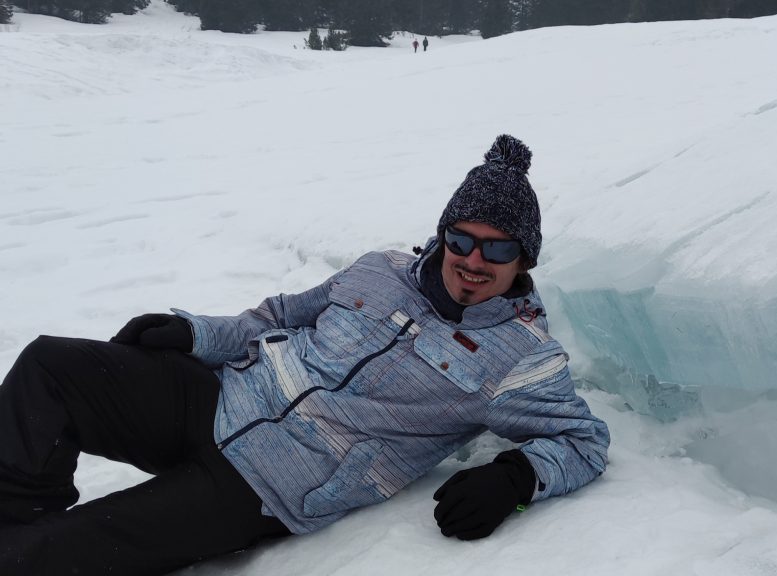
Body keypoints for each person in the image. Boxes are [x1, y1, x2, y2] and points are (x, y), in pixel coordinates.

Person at [0, 134, 610, 575]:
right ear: (443, 234)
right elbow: (281, 315)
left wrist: (516, 478)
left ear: (524, 261)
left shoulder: (522, 357)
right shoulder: (382, 270)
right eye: (462, 239)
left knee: (55, 553)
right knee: (50, 366)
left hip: (269, 487)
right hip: (220, 399)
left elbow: (584, 442)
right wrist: (197, 334)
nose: (474, 261)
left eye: (498, 250)